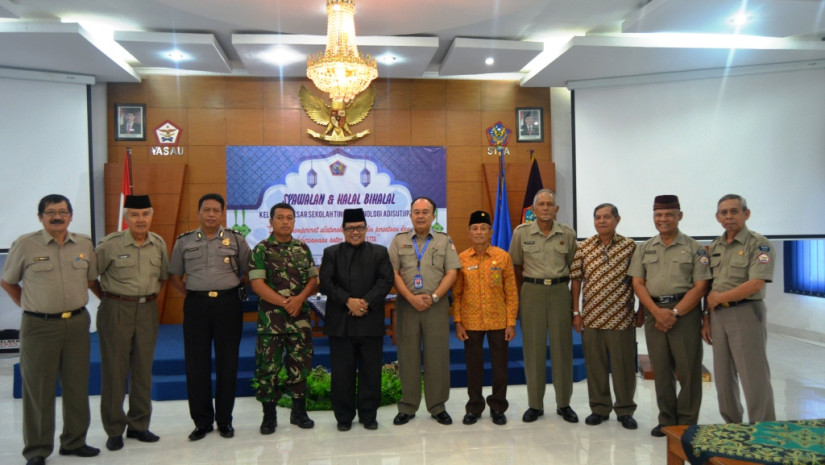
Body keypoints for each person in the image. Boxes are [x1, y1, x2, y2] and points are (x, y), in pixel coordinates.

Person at [1, 194, 101, 465]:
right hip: (39, 327)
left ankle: (74, 442)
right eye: (51, 212)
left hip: (77, 324)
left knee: (77, 386)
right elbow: (8, 281)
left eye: (63, 212)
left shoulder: (84, 243)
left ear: (70, 215)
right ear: (40, 217)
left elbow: (91, 280)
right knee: (39, 389)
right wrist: (31, 306)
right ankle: (37, 449)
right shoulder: (25, 244)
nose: (57, 217)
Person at [168, 193, 250, 441]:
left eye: (216, 210)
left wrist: (230, 290)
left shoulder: (236, 239)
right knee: (197, 364)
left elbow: (248, 271)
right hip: (197, 306)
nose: (211, 214)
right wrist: (194, 294)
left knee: (228, 363)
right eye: (207, 210)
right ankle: (202, 422)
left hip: (228, 304)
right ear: (199, 213)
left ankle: (224, 420)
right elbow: (175, 276)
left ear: (222, 213)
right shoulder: (184, 241)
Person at [628, 195, 710, 437]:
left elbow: (700, 286)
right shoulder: (644, 248)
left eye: (668, 215)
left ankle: (686, 422)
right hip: (654, 312)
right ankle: (666, 420)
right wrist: (655, 312)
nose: (663, 219)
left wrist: (674, 313)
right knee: (661, 370)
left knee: (688, 370)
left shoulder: (695, 248)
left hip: (684, 314)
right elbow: (638, 283)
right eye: (658, 215)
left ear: (679, 216)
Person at [96, 195, 169, 451]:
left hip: (147, 309)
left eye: (145, 214)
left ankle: (139, 425)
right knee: (115, 371)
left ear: (151, 216)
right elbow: (91, 277)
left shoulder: (158, 243)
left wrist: (143, 299)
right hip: (116, 309)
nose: (141, 219)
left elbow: (162, 277)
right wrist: (112, 299)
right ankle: (114, 429)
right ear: (126, 217)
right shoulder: (110, 244)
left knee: (142, 370)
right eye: (135, 215)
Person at [319, 208, 394, 431]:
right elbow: (326, 282)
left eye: (359, 228)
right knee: (342, 373)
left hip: (370, 321)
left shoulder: (379, 252)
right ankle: (344, 417)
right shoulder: (331, 253)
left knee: (371, 371)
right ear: (343, 230)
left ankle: (369, 415)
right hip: (341, 323)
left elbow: (386, 280)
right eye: (350, 228)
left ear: (366, 229)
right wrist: (348, 301)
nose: (355, 232)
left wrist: (365, 302)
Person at [388, 197, 461, 426]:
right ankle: (407, 406)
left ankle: (437, 406)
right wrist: (411, 298)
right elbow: (393, 273)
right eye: (416, 212)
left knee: (437, 356)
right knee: (407, 356)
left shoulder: (444, 240)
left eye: (425, 212)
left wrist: (435, 296)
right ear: (410, 215)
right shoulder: (398, 241)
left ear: (433, 216)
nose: (420, 216)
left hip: (436, 306)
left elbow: (452, 272)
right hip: (407, 306)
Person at [509, 188, 579, 424]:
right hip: (532, 292)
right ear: (534, 209)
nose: (546, 208)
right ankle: (535, 405)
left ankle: (564, 404)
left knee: (562, 349)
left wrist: (559, 287)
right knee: (533, 349)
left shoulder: (567, 233)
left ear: (556, 209)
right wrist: (527, 291)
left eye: (550, 204)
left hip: (559, 292)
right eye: (542, 204)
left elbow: (573, 266)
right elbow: (516, 266)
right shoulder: (521, 233)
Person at [705, 194, 776, 423]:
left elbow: (755, 284)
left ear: (746, 214)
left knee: (753, 374)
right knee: (723, 377)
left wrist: (719, 298)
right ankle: (732, 425)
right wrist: (706, 318)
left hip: (746, 312)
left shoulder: (759, 244)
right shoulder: (715, 246)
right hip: (718, 316)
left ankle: (763, 426)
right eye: (724, 212)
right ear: (718, 217)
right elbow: (709, 286)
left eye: (734, 211)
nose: (729, 216)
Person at [249, 202, 319, 433]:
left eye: (289, 218)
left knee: (300, 365)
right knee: (268, 368)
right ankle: (269, 417)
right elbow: (257, 284)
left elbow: (313, 280)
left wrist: (299, 300)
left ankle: (299, 413)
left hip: (299, 320)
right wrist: (286, 302)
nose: (285, 222)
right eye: (280, 218)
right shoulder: (261, 249)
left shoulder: (303, 248)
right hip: (272, 322)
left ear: (294, 221)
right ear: (271, 222)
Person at [570, 203, 638, 430]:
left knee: (623, 368)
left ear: (617, 220)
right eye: (597, 217)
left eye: (606, 217)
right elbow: (576, 280)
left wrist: (641, 311)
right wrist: (576, 312)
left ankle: (625, 410)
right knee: (595, 366)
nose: (601, 221)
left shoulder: (630, 247)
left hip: (621, 318)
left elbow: (639, 281)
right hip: (592, 318)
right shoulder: (584, 246)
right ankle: (599, 409)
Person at [451, 210, 518, 426]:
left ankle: (498, 406)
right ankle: (474, 406)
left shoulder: (503, 257)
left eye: (483, 228)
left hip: (499, 320)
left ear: (491, 232)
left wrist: (511, 322)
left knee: (500, 367)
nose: (479, 232)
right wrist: (458, 322)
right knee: (474, 367)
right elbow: (457, 294)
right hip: (471, 321)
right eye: (475, 228)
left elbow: (511, 293)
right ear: (469, 232)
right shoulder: (461, 259)